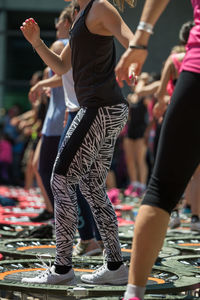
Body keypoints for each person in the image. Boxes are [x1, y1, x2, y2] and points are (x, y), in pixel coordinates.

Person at [20, 0, 135, 285]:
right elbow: (61, 66)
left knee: (60, 179)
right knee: (91, 185)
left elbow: (131, 39)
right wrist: (37, 43)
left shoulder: (101, 8)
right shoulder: (81, 15)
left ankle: (62, 269)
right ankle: (115, 264)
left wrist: (131, 64)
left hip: (100, 107)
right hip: (105, 108)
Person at [115, 0, 200, 299]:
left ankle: (133, 293)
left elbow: (160, 95)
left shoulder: (175, 61)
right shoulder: (175, 62)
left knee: (163, 187)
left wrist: (141, 38)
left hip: (196, 77)